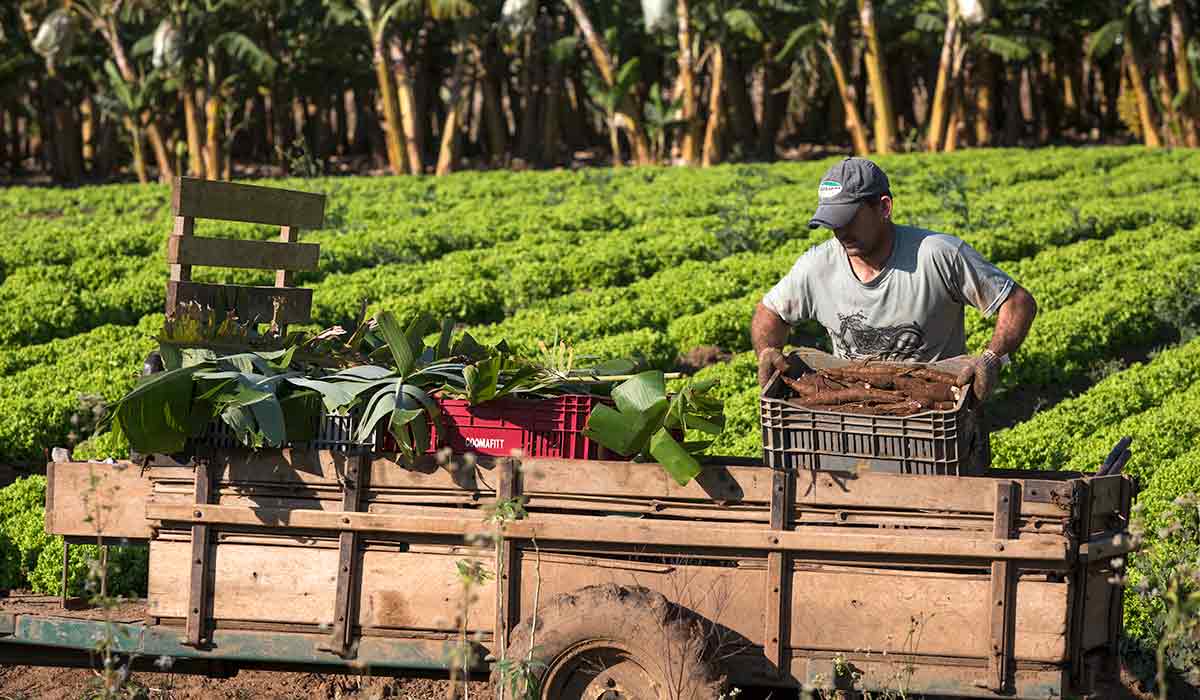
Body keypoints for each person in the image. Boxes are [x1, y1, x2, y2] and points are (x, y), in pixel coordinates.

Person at [751, 157, 1038, 401]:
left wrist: (992, 358)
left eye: (849, 218)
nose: (840, 231)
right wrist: (767, 351)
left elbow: (1018, 302)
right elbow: (770, 312)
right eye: (832, 223)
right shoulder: (817, 266)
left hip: (935, 405)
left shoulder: (937, 255)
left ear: (884, 208)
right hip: (853, 404)